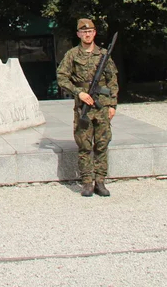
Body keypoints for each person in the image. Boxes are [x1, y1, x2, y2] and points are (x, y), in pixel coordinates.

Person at [56, 18, 118, 198]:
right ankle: (86, 183)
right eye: (83, 32)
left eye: (90, 31)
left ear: (94, 33)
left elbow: (112, 81)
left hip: (102, 106)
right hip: (83, 106)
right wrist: (78, 93)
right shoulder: (72, 55)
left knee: (102, 144)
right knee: (84, 146)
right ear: (78, 34)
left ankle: (100, 182)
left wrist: (113, 105)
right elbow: (62, 77)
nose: (87, 34)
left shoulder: (104, 55)